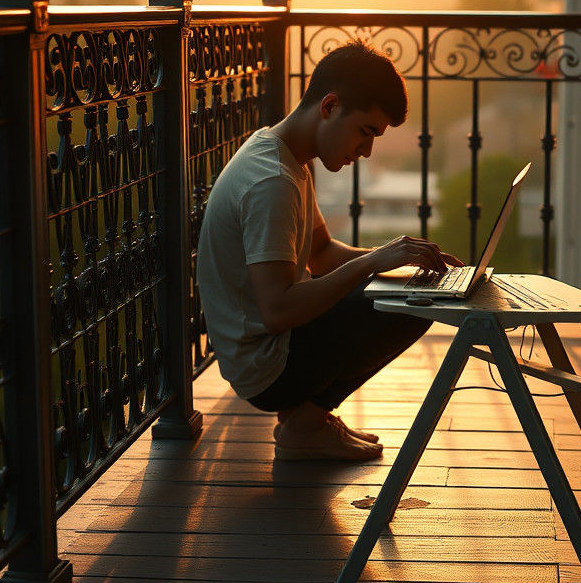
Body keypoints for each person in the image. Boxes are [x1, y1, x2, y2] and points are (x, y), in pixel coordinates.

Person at [196, 40, 462, 461]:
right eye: (365, 131)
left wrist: (399, 261)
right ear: (330, 106)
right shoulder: (273, 181)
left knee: (408, 292)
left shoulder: (286, 154)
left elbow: (320, 252)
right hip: (266, 367)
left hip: (271, 348)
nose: (368, 150)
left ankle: (308, 418)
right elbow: (278, 310)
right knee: (413, 306)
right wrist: (375, 263)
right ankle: (304, 425)